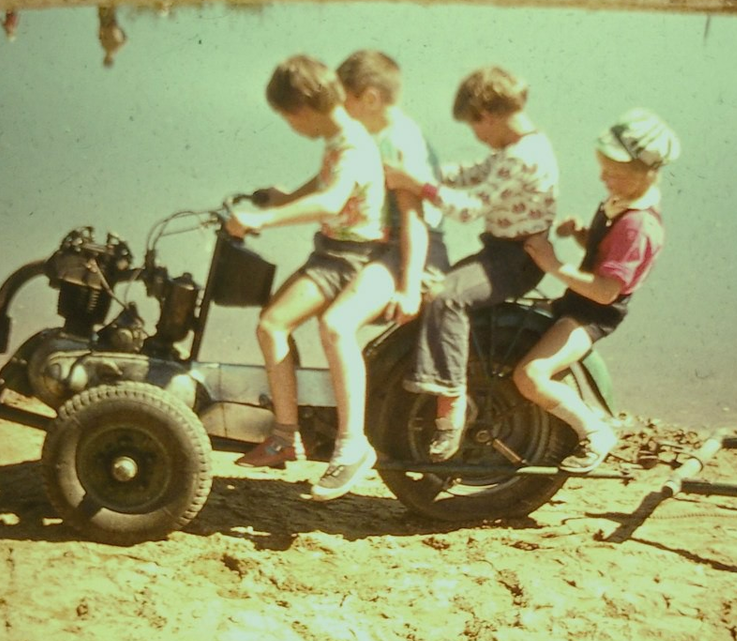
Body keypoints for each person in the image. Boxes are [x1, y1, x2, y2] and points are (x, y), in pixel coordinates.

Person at [224, 54, 387, 500]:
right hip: (331, 252)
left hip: (350, 258)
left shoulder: (351, 143)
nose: (291, 126)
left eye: (287, 118)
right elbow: (323, 182)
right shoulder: (341, 136)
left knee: (306, 327)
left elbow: (332, 201)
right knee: (272, 323)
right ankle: (285, 434)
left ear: (301, 110)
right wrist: (284, 196)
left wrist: (269, 217)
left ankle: (336, 442)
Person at [384, 65, 558, 462]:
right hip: (499, 251)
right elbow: (471, 173)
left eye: (475, 127)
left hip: (515, 259)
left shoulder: (523, 157)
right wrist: (423, 171)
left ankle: (452, 406)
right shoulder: (515, 149)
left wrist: (418, 186)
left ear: (488, 115)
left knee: (447, 298)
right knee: (435, 288)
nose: (476, 136)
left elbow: (467, 208)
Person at [305, 49, 451, 500]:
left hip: (412, 253)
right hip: (381, 246)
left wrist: (409, 287)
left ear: (368, 97)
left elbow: (413, 220)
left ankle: (351, 447)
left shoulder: (396, 143)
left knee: (336, 323)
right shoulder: (373, 132)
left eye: (343, 100)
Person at [513, 108, 681, 473]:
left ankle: (595, 431)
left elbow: (606, 291)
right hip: (579, 302)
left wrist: (553, 265)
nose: (604, 177)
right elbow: (609, 253)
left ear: (645, 172)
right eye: (604, 167)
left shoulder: (638, 225)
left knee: (531, 376)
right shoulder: (623, 204)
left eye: (614, 172)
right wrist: (581, 236)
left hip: (590, 315)